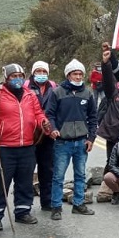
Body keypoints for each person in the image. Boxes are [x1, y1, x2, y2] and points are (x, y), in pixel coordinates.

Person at [0, 63, 51, 231]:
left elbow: (38, 113)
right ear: (6, 79)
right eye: (13, 76)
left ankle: (23, 212)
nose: (17, 79)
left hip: (27, 146)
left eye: (20, 76)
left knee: (24, 182)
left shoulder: (30, 95)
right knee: (0, 183)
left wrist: (42, 121)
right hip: (5, 147)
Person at [45, 59, 98, 220]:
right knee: (58, 176)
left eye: (80, 74)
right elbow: (50, 114)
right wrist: (53, 129)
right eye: (75, 74)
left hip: (81, 142)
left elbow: (93, 117)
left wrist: (91, 138)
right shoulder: (57, 92)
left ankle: (79, 204)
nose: (78, 76)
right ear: (68, 75)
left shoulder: (87, 93)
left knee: (80, 175)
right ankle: (56, 207)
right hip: (63, 142)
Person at [24, 60, 58, 212]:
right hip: (30, 134)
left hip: (48, 134)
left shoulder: (53, 87)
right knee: (27, 170)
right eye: (38, 71)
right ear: (33, 72)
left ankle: (47, 201)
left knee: (47, 169)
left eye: (44, 72)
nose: (41, 74)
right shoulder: (25, 87)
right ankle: (25, 204)